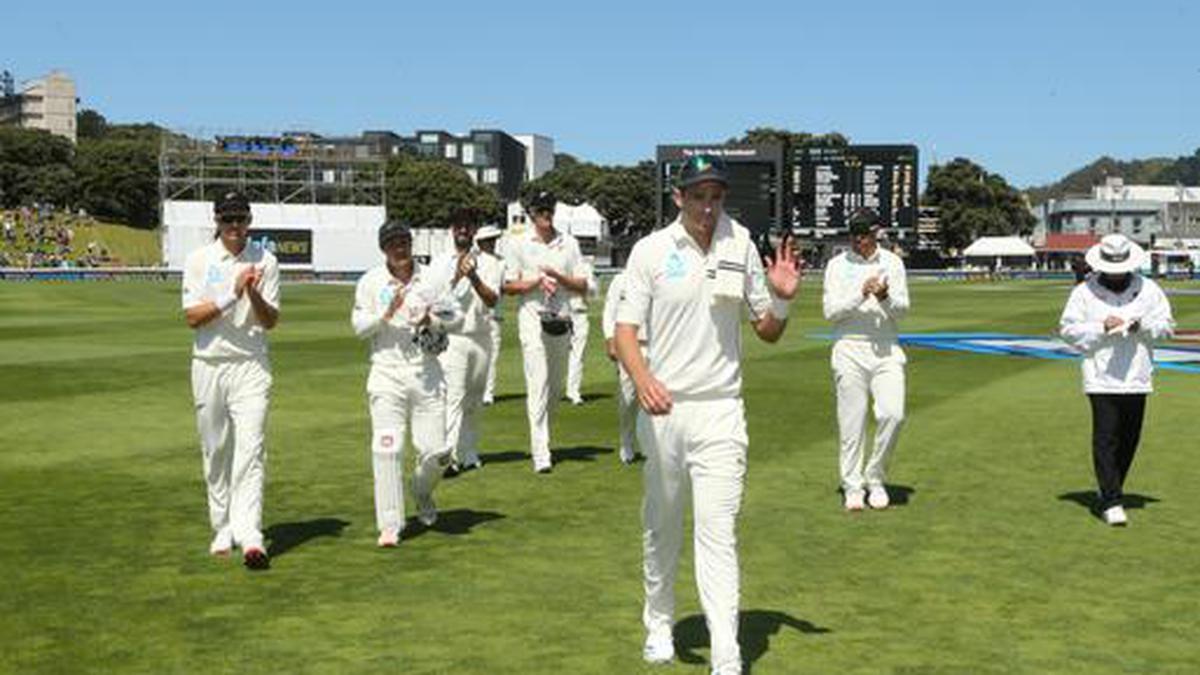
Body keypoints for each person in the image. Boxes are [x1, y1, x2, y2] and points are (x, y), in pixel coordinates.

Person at [614, 154, 800, 675]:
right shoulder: (651, 251)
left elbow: (765, 328)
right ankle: (659, 623)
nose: (708, 206)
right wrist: (645, 380)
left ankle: (726, 653)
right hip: (665, 410)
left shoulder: (739, 241)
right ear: (680, 198)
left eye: (716, 196)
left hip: (722, 409)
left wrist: (782, 301)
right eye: (699, 196)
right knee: (663, 525)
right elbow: (625, 330)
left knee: (718, 531)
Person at [181, 191, 280, 570]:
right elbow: (193, 317)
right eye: (227, 219)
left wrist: (253, 293)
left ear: (250, 221)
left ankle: (251, 534)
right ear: (217, 222)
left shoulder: (265, 260)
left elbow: (270, 321)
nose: (234, 227)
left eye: (240, 219)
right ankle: (222, 526)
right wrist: (231, 293)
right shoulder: (199, 260)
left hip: (251, 365)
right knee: (216, 449)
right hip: (209, 363)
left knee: (251, 449)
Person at [352, 219, 460, 547]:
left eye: (403, 242)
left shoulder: (431, 277)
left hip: (426, 372)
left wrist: (431, 319)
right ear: (383, 248)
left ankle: (422, 491)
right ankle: (390, 524)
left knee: (437, 452)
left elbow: (456, 316)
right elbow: (359, 327)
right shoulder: (371, 282)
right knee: (387, 449)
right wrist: (386, 313)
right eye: (392, 243)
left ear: (411, 244)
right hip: (386, 374)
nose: (399, 248)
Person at [1059, 234, 1174, 526]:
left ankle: (1111, 487)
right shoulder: (1084, 292)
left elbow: (1166, 326)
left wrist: (1142, 325)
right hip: (1100, 375)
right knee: (1106, 436)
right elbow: (1069, 330)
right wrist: (1100, 326)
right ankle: (1111, 500)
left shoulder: (1148, 289)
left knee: (1129, 438)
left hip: (1137, 373)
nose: (1116, 273)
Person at [822, 207, 910, 512]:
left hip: (885, 347)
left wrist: (884, 296)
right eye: (854, 235)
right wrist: (861, 293)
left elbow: (903, 310)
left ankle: (875, 477)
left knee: (893, 414)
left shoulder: (893, 263)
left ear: (876, 233)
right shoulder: (836, 265)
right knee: (852, 423)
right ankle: (853, 486)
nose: (858, 241)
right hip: (849, 346)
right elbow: (830, 312)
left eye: (865, 235)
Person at [503, 190, 588, 473]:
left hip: (561, 320)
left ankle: (544, 437)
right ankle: (541, 451)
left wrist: (559, 278)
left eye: (549, 209)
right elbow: (509, 286)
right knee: (537, 383)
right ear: (531, 213)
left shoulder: (569, 243)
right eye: (540, 210)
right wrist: (537, 281)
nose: (545, 214)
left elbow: (583, 284)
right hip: (531, 320)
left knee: (555, 387)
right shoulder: (518, 243)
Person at [438, 209, 504, 475]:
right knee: (453, 398)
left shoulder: (493, 263)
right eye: (458, 226)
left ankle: (469, 452)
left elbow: (493, 299)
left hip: (482, 336)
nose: (463, 230)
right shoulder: (441, 261)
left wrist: (474, 277)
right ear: (453, 230)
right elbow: (438, 299)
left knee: (474, 402)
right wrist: (456, 274)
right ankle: (450, 457)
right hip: (453, 337)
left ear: (474, 230)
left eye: (467, 226)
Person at [601, 270, 642, 464]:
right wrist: (610, 339)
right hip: (630, 343)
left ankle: (659, 446)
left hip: (660, 344)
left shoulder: (661, 275)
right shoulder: (621, 280)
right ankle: (627, 444)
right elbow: (610, 311)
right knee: (628, 397)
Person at [477, 225, 506, 405]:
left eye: (494, 239)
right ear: (480, 242)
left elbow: (504, 286)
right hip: (476, 314)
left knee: (492, 356)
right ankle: (476, 390)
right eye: (489, 240)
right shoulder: (474, 260)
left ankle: (488, 393)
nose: (492, 243)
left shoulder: (501, 261)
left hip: (494, 313)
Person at [565, 257, 598, 405]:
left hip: (580, 312)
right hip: (560, 314)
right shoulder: (557, 263)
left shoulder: (585, 266)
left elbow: (592, 290)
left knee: (578, 354)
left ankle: (573, 392)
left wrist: (576, 284)